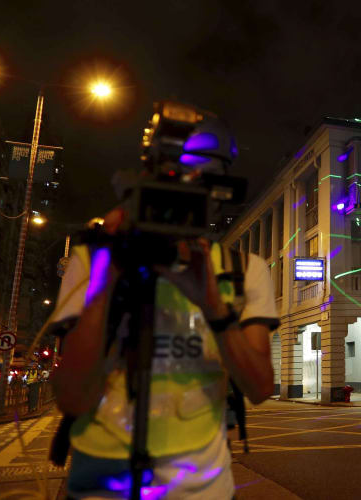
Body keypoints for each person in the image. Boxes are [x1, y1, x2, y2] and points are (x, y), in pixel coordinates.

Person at [50, 103, 277, 499]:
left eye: (199, 183)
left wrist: (214, 308)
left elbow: (259, 387)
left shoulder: (243, 271)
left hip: (203, 488)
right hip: (98, 486)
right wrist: (110, 271)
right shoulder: (95, 258)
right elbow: (72, 396)